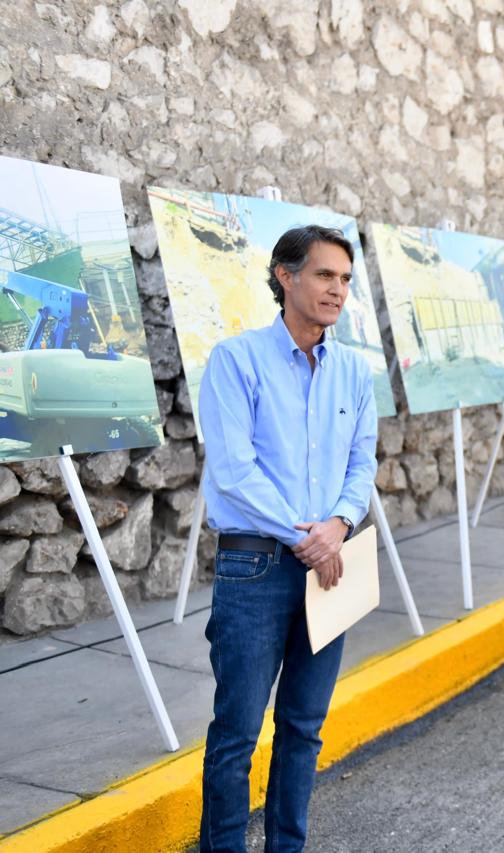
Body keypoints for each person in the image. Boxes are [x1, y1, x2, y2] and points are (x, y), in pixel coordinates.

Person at [198, 225, 378, 852]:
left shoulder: (354, 371)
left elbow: (362, 462)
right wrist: (306, 537)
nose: (337, 290)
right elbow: (233, 469)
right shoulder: (235, 359)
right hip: (254, 570)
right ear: (285, 276)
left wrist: (338, 526)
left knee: (304, 729)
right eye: (325, 275)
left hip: (331, 566)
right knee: (237, 734)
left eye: (346, 279)